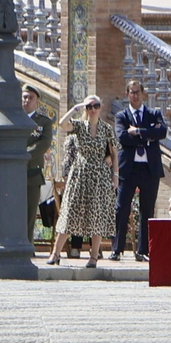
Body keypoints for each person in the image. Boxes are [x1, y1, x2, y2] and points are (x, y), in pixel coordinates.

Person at [48, 97, 118, 268]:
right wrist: (76, 108)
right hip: (80, 172)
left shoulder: (107, 129)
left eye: (95, 106)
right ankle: (55, 253)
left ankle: (94, 257)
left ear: (100, 107)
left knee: (97, 214)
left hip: (99, 174)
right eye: (89, 106)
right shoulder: (79, 126)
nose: (92, 109)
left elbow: (114, 153)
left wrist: (115, 175)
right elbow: (63, 124)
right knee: (70, 212)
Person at [112, 80, 167, 261]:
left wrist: (139, 132)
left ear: (143, 93)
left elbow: (162, 132)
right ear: (127, 94)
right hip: (129, 168)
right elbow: (122, 137)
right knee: (122, 208)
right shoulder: (122, 116)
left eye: (138, 92)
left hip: (149, 168)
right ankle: (117, 249)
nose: (135, 96)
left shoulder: (153, 114)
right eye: (132, 92)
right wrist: (147, 136)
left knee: (147, 210)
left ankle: (144, 250)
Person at [22, 85, 54, 244]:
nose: (26, 101)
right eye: (24, 97)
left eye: (30, 98)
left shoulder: (44, 122)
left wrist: (23, 154)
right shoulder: (14, 118)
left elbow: (44, 143)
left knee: (29, 211)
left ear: (37, 101)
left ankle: (28, 244)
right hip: (14, 172)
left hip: (32, 171)